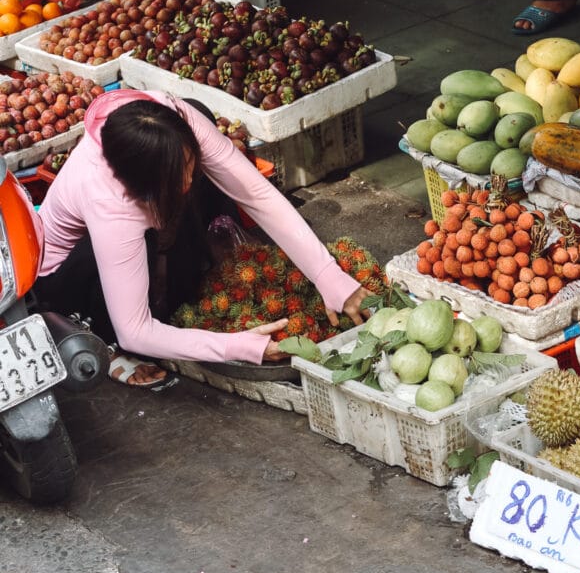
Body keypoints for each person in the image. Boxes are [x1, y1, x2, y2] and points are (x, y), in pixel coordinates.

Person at [34, 89, 370, 389]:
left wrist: (329, 276)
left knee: (202, 117)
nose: (188, 181)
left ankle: (183, 283)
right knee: (134, 323)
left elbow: (255, 192)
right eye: (176, 178)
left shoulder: (170, 116)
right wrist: (237, 346)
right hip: (70, 284)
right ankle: (102, 342)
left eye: (190, 165)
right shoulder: (111, 202)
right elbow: (134, 329)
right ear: (140, 184)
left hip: (150, 223)